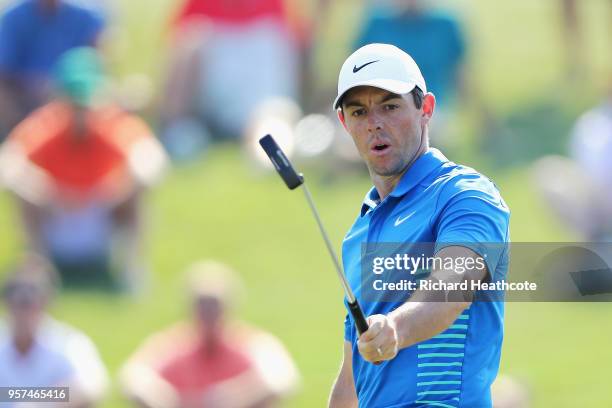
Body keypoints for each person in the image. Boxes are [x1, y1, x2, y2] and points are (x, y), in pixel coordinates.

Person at [328, 44, 510, 407]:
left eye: (390, 106)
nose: (375, 123)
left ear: (425, 109)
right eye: (359, 111)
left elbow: (451, 288)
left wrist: (394, 328)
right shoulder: (359, 232)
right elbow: (351, 377)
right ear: (345, 124)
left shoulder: (465, 195)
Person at [0, 47, 168, 291]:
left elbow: (152, 163)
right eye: (73, 100)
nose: (80, 110)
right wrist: (48, 192)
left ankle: (130, 271)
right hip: (57, 217)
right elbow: (8, 166)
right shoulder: (47, 123)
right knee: (24, 199)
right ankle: (40, 271)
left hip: (100, 217)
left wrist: (111, 191)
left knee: (136, 200)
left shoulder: (113, 123)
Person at [120, 260, 299, 408]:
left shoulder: (251, 342)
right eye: (202, 306)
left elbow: (282, 378)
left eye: (214, 306)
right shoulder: (174, 344)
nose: (208, 314)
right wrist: (169, 399)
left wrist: (234, 397)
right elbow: (132, 377)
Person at [0, 253, 109, 406]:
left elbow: (91, 387)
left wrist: (35, 402)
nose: (23, 303)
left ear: (47, 300)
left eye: (32, 294)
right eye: (15, 292)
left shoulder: (68, 341)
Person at [0, 0, 105, 140]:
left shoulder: (87, 17)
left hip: (73, 99)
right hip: (25, 100)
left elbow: (95, 64)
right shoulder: (13, 17)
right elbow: (4, 72)